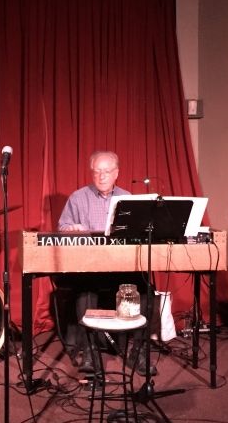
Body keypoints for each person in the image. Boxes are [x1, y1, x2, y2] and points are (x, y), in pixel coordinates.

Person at [56, 150, 156, 376]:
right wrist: (72, 229)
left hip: (121, 265)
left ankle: (137, 350)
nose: (102, 176)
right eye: (97, 171)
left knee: (146, 287)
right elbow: (62, 228)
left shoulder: (127, 197)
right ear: (91, 173)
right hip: (89, 266)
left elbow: (138, 232)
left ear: (116, 173)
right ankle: (89, 351)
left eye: (107, 171)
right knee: (85, 288)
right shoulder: (78, 198)